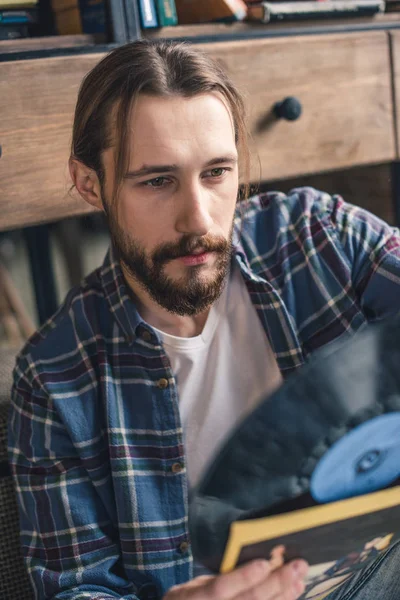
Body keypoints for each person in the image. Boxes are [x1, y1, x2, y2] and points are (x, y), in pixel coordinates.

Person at [7, 39, 400, 600]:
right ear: (90, 183)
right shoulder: (54, 380)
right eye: (157, 181)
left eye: (216, 173)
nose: (198, 218)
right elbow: (76, 588)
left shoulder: (323, 240)